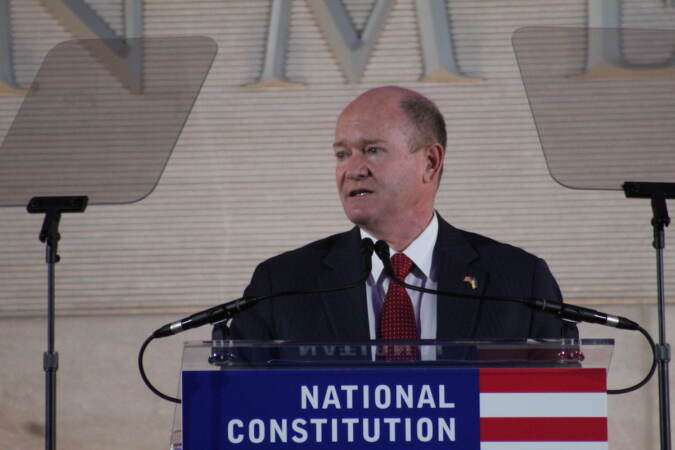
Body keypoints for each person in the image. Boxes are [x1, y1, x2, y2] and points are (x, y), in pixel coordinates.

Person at [217, 86, 576, 344]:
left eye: (372, 150)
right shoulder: (281, 285)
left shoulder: (517, 281)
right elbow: (236, 409)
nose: (352, 170)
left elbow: (560, 407)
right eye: (342, 154)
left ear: (430, 163)